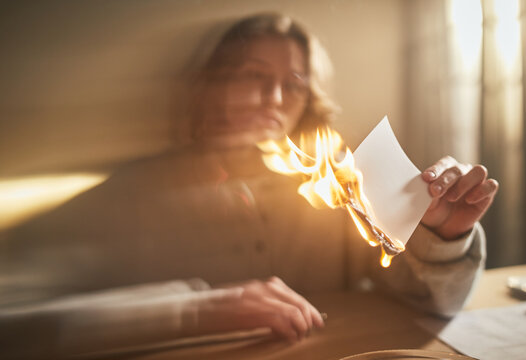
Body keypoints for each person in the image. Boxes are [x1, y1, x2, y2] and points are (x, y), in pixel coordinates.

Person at [0, 12, 498, 358]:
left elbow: (433, 304)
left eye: (295, 83)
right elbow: (17, 326)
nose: (273, 97)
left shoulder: (338, 189)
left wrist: (441, 237)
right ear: (211, 84)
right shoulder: (127, 196)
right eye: (251, 75)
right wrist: (195, 311)